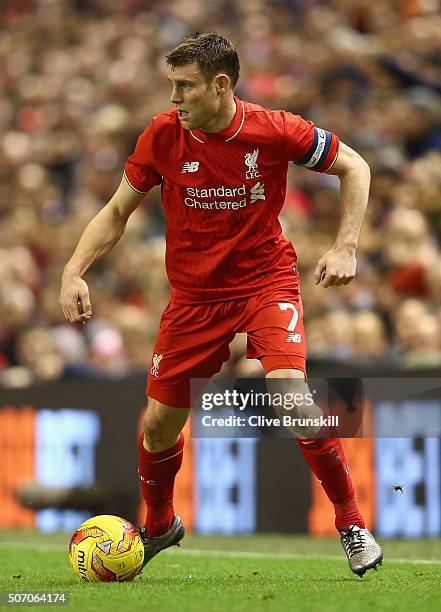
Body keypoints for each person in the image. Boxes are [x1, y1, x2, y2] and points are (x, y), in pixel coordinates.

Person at [59, 32, 383, 577]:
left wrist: (346, 244)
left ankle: (352, 524)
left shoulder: (275, 129)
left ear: (221, 84)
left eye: (184, 87)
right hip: (193, 296)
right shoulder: (161, 136)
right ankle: (159, 524)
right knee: (159, 424)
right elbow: (116, 213)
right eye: (171, 86)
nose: (174, 99)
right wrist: (73, 271)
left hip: (264, 282)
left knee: (289, 393)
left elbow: (357, 167)